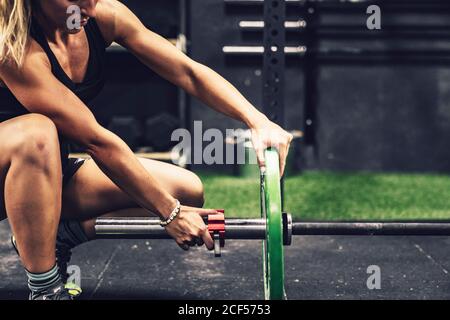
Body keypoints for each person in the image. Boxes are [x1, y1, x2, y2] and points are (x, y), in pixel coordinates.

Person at [0, 0, 293, 300]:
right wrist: (170, 214)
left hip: (43, 175)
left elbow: (186, 71)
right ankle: (47, 290)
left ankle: (57, 236)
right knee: (36, 133)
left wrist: (257, 120)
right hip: (13, 160)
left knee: (184, 188)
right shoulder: (15, 47)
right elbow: (95, 141)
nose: (87, 6)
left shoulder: (104, 17)